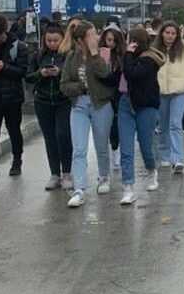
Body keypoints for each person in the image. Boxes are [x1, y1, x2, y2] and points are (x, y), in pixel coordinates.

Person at [59, 21, 116, 207]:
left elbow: (105, 74)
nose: (96, 38)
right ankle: (79, 189)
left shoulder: (103, 53)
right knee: (79, 148)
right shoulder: (71, 57)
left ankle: (104, 177)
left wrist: (94, 53)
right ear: (80, 40)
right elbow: (64, 84)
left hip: (101, 104)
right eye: (91, 35)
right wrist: (81, 87)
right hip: (79, 105)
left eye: (96, 34)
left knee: (101, 144)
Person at [117, 27, 166, 205]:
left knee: (145, 144)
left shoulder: (150, 60)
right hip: (125, 104)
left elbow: (132, 75)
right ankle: (128, 187)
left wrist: (128, 56)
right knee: (126, 148)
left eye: (131, 40)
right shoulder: (126, 57)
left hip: (145, 105)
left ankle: (151, 171)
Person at [25, 26, 72, 190]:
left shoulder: (68, 55)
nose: (52, 44)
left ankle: (67, 172)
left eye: (55, 40)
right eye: (49, 40)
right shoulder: (38, 55)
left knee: (63, 135)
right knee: (50, 137)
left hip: (63, 100)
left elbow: (73, 75)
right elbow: (28, 77)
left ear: (62, 39)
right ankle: (54, 173)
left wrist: (59, 73)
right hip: (43, 100)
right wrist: (41, 73)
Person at [0, 13, 29, 187]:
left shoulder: (18, 46)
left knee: (14, 130)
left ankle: (17, 160)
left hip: (12, 97)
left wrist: (4, 67)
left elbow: (23, 71)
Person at [153, 21, 184, 173]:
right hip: (160, 92)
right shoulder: (154, 49)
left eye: (173, 33)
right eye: (167, 33)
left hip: (179, 91)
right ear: (162, 33)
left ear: (177, 35)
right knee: (162, 124)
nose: (170, 36)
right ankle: (165, 155)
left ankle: (178, 159)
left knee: (175, 124)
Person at [100, 24, 125, 168]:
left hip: (118, 93)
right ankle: (111, 148)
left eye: (113, 40)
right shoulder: (99, 53)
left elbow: (117, 77)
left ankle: (116, 149)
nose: (110, 43)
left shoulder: (121, 56)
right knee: (105, 125)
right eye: (108, 39)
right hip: (102, 93)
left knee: (115, 123)